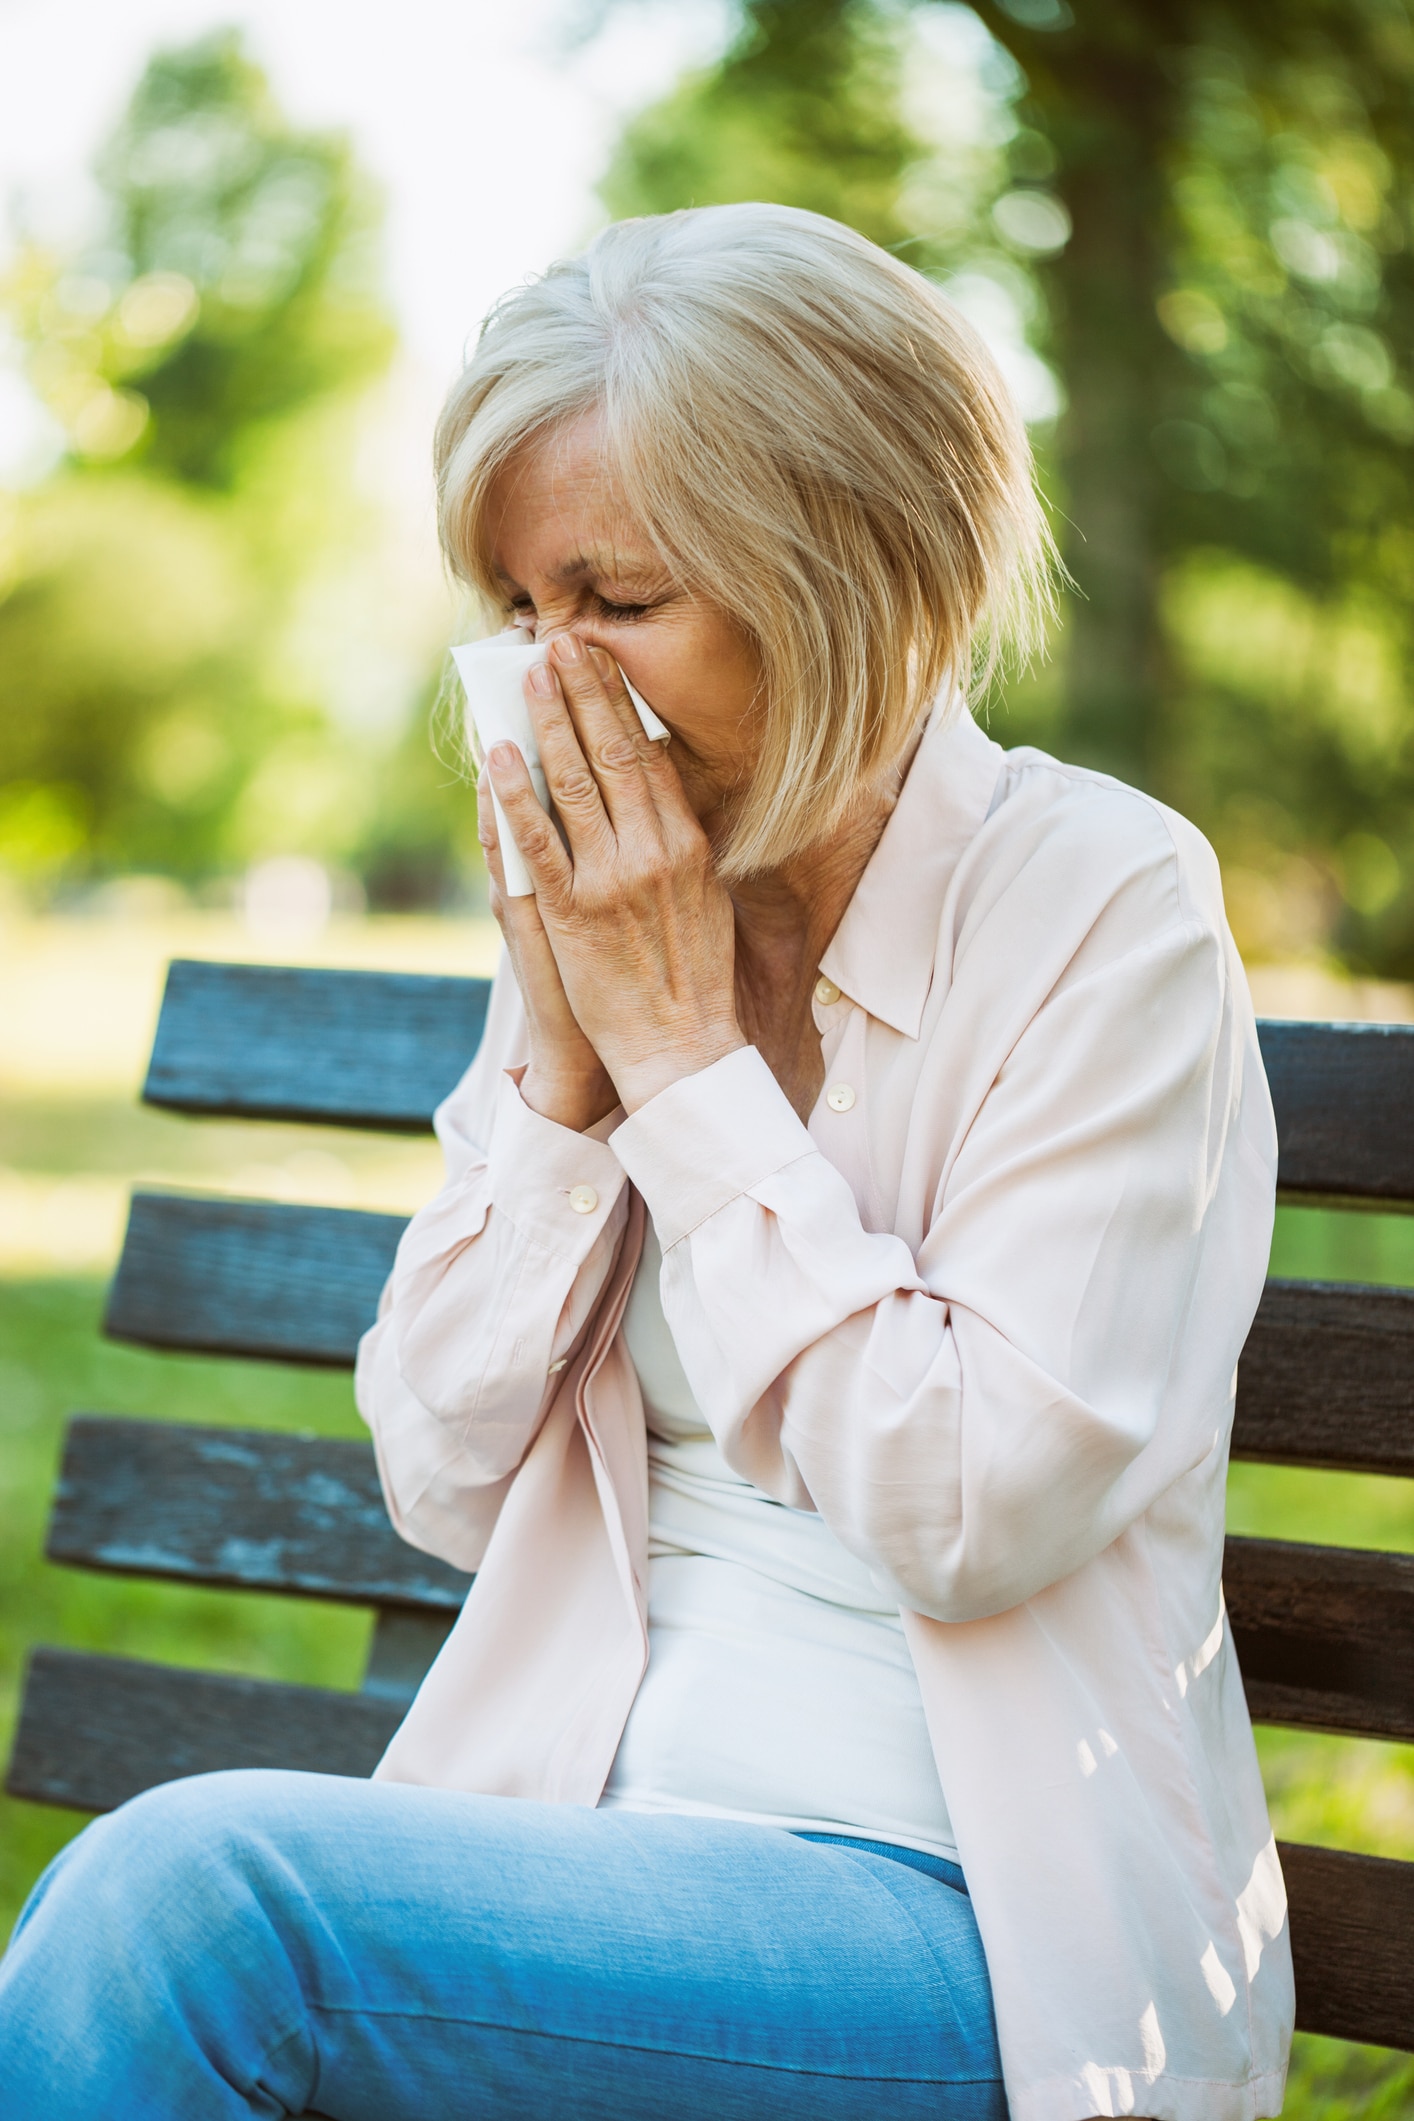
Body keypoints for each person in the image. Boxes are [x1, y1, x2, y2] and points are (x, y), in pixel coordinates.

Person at [0, 203, 1292, 2121]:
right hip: (563, 1850)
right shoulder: (611, 927)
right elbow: (437, 1475)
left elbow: (967, 1508)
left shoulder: (1106, 905)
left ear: (853, 578)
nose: (552, 684)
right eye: (524, 615)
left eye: (615, 601)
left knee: (198, 1914)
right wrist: (557, 1084)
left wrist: (690, 1072)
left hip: (967, 1931)